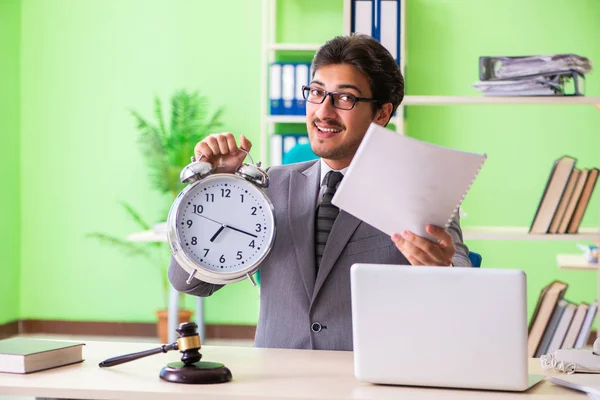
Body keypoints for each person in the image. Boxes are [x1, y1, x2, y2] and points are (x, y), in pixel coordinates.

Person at [169, 34, 471, 351]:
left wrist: (443, 272)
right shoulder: (268, 185)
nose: (323, 112)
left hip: (370, 383)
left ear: (381, 113)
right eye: (317, 92)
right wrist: (212, 187)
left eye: (345, 98)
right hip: (277, 382)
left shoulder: (419, 193)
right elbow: (192, 282)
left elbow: (466, 290)